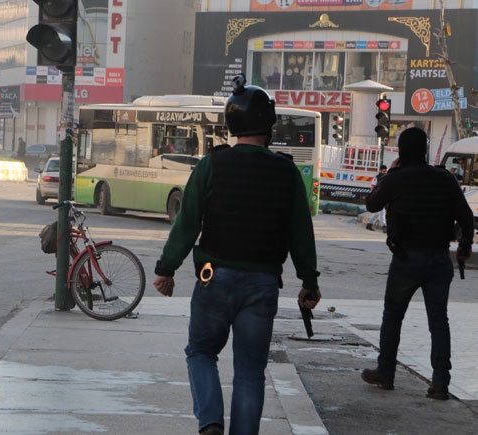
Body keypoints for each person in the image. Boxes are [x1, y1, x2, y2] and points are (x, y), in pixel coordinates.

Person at [153, 74, 321, 435]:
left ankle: (211, 423)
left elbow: (187, 224)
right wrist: (309, 281)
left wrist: (166, 269)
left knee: (201, 353)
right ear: (268, 124)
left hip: (215, 279)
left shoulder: (211, 166)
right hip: (262, 284)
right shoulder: (286, 171)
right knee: (249, 371)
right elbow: (300, 232)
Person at [361, 127, 473, 400]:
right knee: (438, 321)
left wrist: (387, 175)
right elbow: (466, 216)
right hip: (438, 258)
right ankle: (440, 382)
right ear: (424, 150)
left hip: (406, 258)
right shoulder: (444, 178)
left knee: (393, 317)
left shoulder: (396, 179)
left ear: (400, 151)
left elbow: (372, 205)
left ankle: (385, 374)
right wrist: (464, 247)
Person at [366, 165, 388, 231]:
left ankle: (369, 224)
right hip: (378, 197)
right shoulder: (376, 178)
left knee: (378, 212)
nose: (385, 172)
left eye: (386, 171)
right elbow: (372, 187)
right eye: (384, 171)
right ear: (380, 170)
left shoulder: (386, 177)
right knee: (382, 212)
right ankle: (384, 226)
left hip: (383, 197)